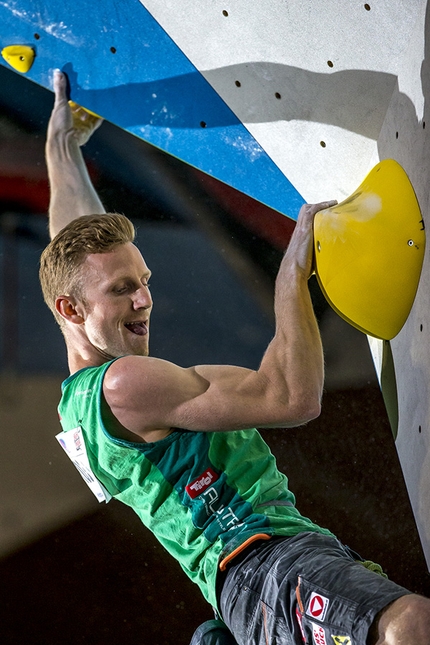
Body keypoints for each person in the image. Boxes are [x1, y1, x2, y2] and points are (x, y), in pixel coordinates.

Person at [40, 70, 430, 645]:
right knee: (411, 625)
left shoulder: (79, 403)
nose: (145, 298)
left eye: (143, 280)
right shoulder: (125, 384)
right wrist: (293, 274)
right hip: (262, 566)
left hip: (251, 594)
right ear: (71, 311)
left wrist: (62, 146)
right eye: (123, 289)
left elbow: (69, 242)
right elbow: (292, 397)